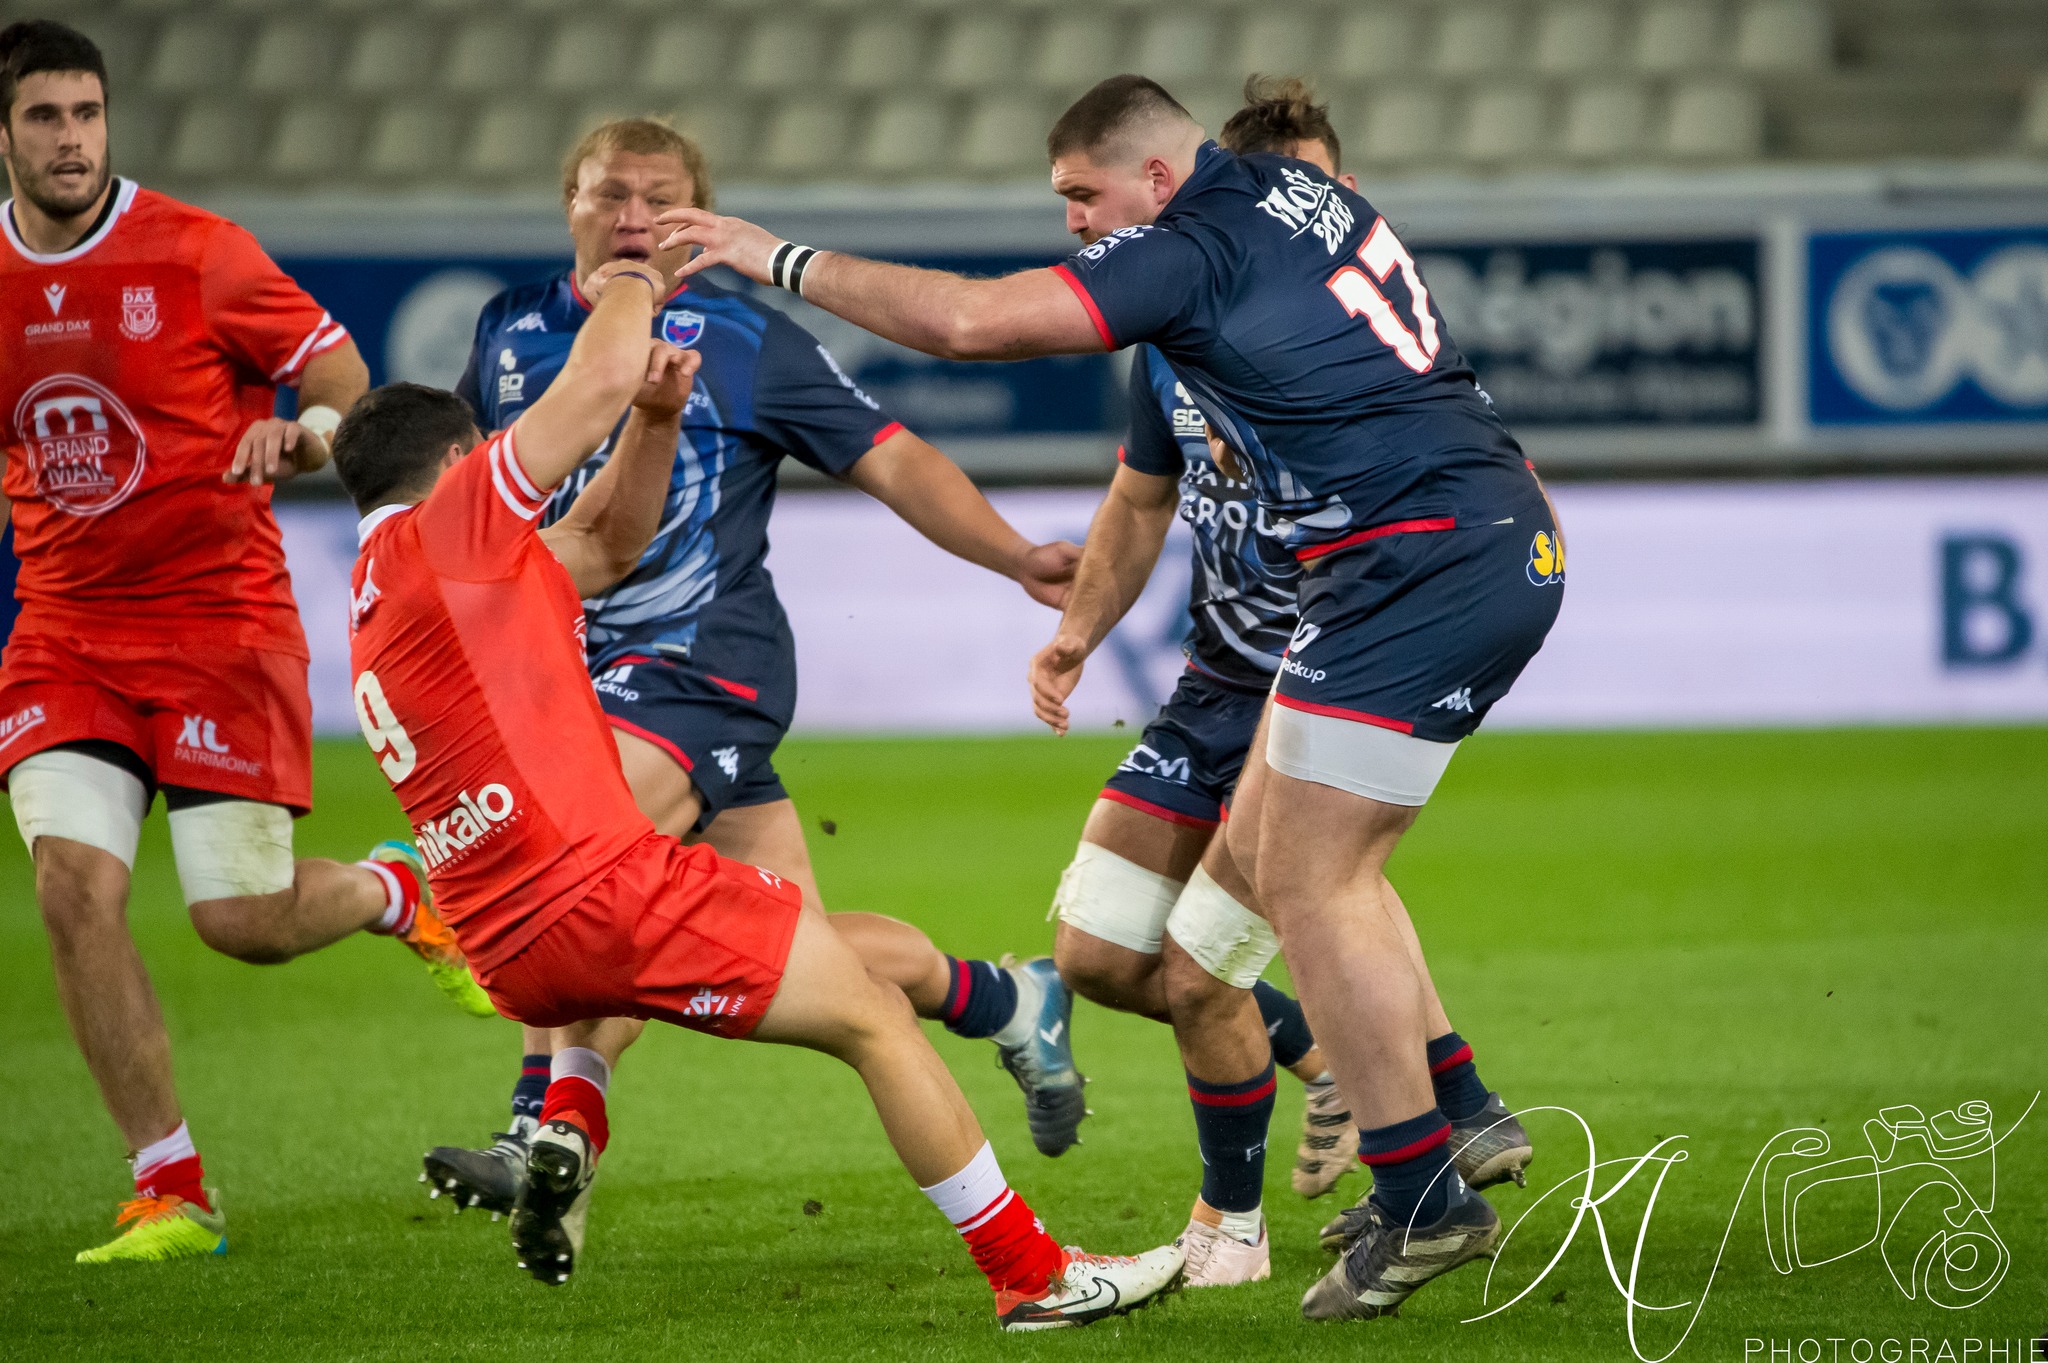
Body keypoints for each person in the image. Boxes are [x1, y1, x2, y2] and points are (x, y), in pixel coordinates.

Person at [655, 73, 1566, 1322]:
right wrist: (1082, 625)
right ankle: (1433, 1120)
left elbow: (968, 323)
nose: (1075, 222)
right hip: (1449, 546)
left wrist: (777, 256)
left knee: (1313, 881)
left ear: (1153, 174)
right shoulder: (1292, 191)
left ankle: (1420, 1187)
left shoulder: (1188, 246)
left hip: (1409, 562)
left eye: (1081, 195)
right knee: (1259, 886)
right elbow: (1170, 471)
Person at [332, 255, 1185, 1330]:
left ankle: (571, 1114)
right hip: (607, 890)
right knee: (873, 1019)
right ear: (461, 463)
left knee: (808, 954)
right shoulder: (451, 530)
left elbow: (603, 542)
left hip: (510, 951)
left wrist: (657, 419)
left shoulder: (386, 588)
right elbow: (591, 380)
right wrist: (632, 279)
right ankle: (1034, 1275)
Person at [421, 119, 1091, 1217]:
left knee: (570, 861)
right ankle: (1005, 997)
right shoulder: (510, 327)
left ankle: (544, 1129)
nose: (634, 218)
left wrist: (1014, 554)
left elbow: (892, 458)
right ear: (568, 204)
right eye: (610, 194)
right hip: (568, 673)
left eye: (660, 198)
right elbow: (465, 483)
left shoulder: (743, 338)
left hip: (698, 671)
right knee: (804, 956)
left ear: (698, 218)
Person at [1019, 78, 1531, 1291]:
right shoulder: (1172, 328)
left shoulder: (1350, 326)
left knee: (1227, 949)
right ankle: (1385, 1082)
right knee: (1096, 954)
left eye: (1322, 184)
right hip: (1217, 675)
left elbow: (1450, 471)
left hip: (1330, 653)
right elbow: (1140, 495)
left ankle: (1249, 1221)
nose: (1309, 204)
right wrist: (1079, 632)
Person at [0, 20, 489, 1267]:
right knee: (73, 887)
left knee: (243, 921)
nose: (72, 139)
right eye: (46, 117)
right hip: (64, 634)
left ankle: (394, 890)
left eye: (87, 113)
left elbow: (340, 378)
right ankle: (169, 1188)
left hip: (219, 624)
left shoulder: (198, 252)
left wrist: (305, 438)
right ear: (4, 133)